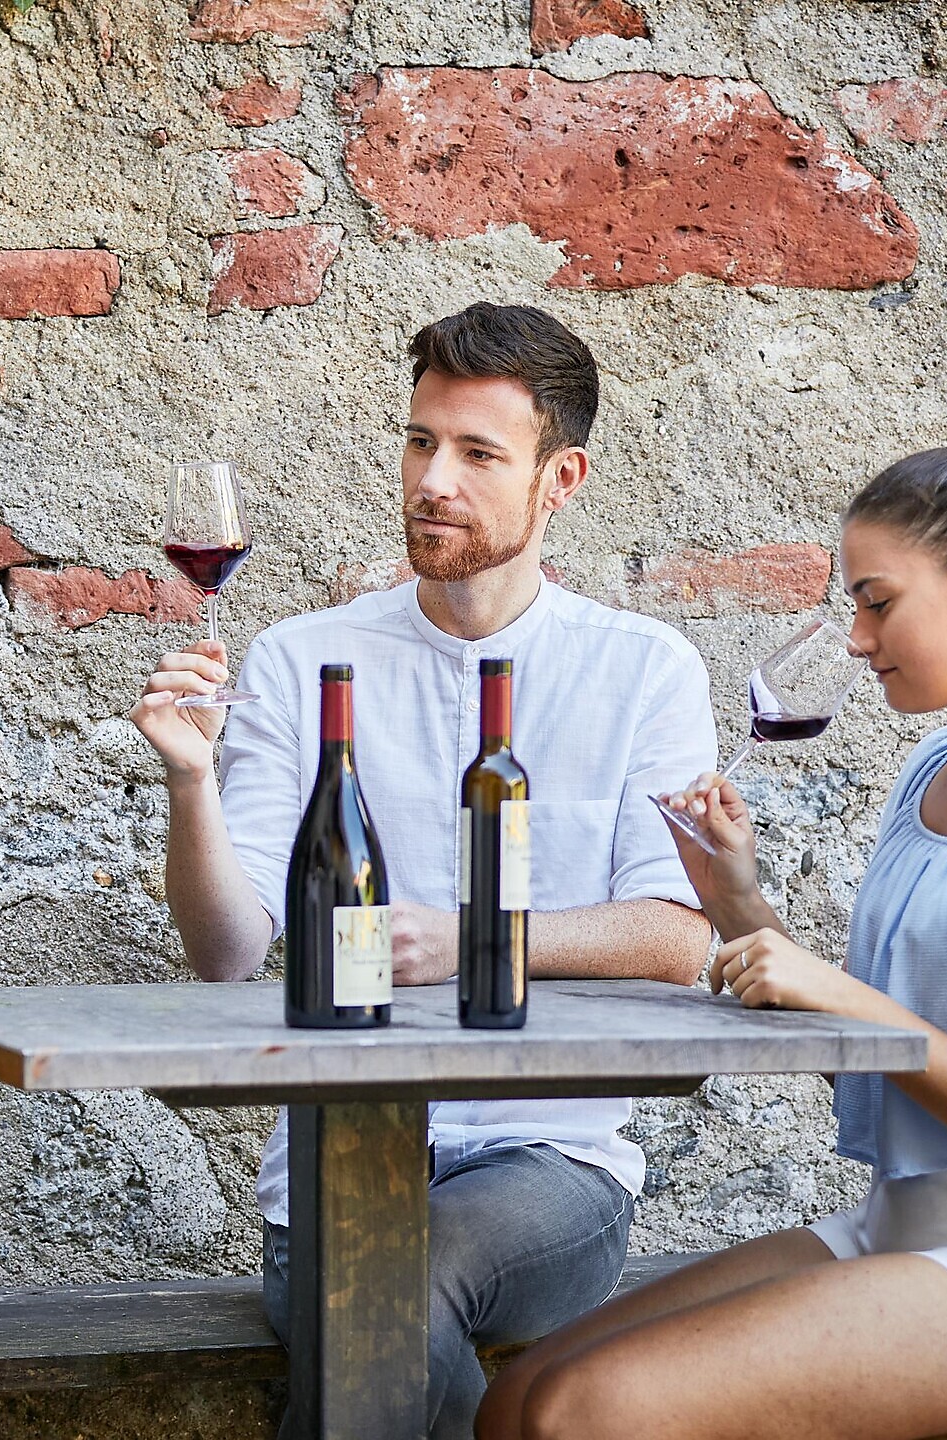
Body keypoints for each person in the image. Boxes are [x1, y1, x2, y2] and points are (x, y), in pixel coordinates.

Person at [478, 402, 947, 1440]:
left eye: (876, 603)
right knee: (515, 1403)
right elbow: (887, 1057)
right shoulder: (935, 777)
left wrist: (843, 998)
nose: (858, 640)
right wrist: (734, 898)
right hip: (899, 1227)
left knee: (585, 1417)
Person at [129, 302, 717, 1438]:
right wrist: (190, 784)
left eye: (478, 453)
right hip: (332, 1166)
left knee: (388, 1291)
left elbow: (678, 940)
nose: (432, 479)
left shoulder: (644, 669)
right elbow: (228, 948)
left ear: (562, 479)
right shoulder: (304, 658)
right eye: (419, 441)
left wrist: (469, 938)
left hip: (547, 1162)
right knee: (377, 1293)